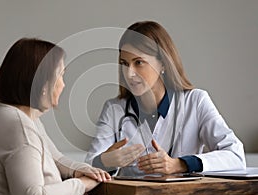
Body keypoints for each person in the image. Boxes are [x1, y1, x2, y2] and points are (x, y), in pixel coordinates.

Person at [85, 21, 246, 176]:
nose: (129, 74)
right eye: (124, 64)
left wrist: (180, 164)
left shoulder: (196, 101)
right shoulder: (114, 109)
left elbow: (236, 156)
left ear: (163, 63)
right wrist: (105, 161)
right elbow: (89, 166)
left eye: (139, 62)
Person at [0, 38, 110, 195]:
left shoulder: (9, 113)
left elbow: (55, 158)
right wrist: (82, 184)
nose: (63, 85)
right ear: (42, 84)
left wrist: (79, 170)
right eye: (60, 75)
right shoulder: (19, 128)